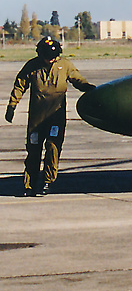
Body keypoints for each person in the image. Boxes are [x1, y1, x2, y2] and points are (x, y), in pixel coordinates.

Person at [5, 37, 95, 196]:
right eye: (48, 56)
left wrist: (89, 88)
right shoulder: (32, 66)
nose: (51, 59)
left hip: (56, 116)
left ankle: (47, 182)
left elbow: (77, 79)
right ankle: (29, 185)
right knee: (33, 151)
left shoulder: (65, 65)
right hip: (36, 118)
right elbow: (20, 85)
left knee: (53, 148)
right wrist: (12, 106)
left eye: (54, 56)